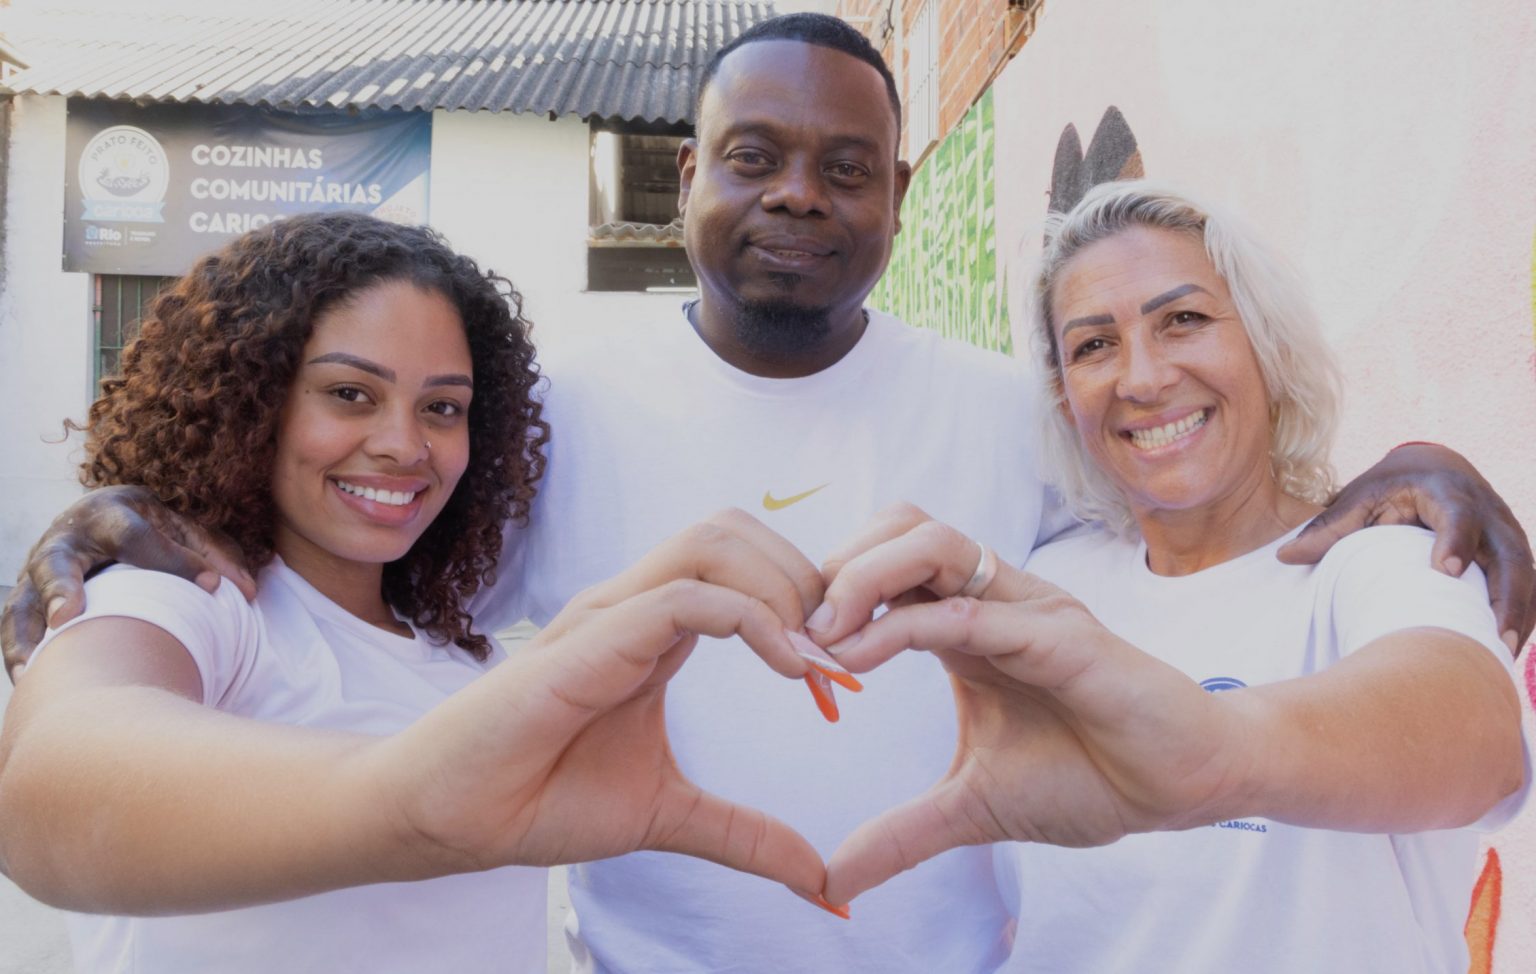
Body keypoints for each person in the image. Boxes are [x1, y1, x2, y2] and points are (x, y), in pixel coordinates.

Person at [2, 13, 1532, 973]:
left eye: (845, 166)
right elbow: (194, 703)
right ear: (691, 184)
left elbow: (1215, 533)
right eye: (755, 155)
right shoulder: (550, 422)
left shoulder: (1020, 421)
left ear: (895, 197)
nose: (799, 192)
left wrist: (1415, 472)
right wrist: (134, 521)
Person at [0, 212, 846, 973]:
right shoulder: (191, 595)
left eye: (443, 408)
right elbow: (48, 786)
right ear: (247, 401)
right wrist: (414, 798)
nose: (405, 444)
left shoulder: (459, 657)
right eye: (349, 394)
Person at [805, 182, 1528, 973]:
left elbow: (1480, 737)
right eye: (1093, 346)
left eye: (1182, 320)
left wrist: (1215, 752)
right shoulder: (1050, 585)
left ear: (1265, 340)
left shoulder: (1380, 559)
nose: (1142, 378)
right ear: (1061, 395)